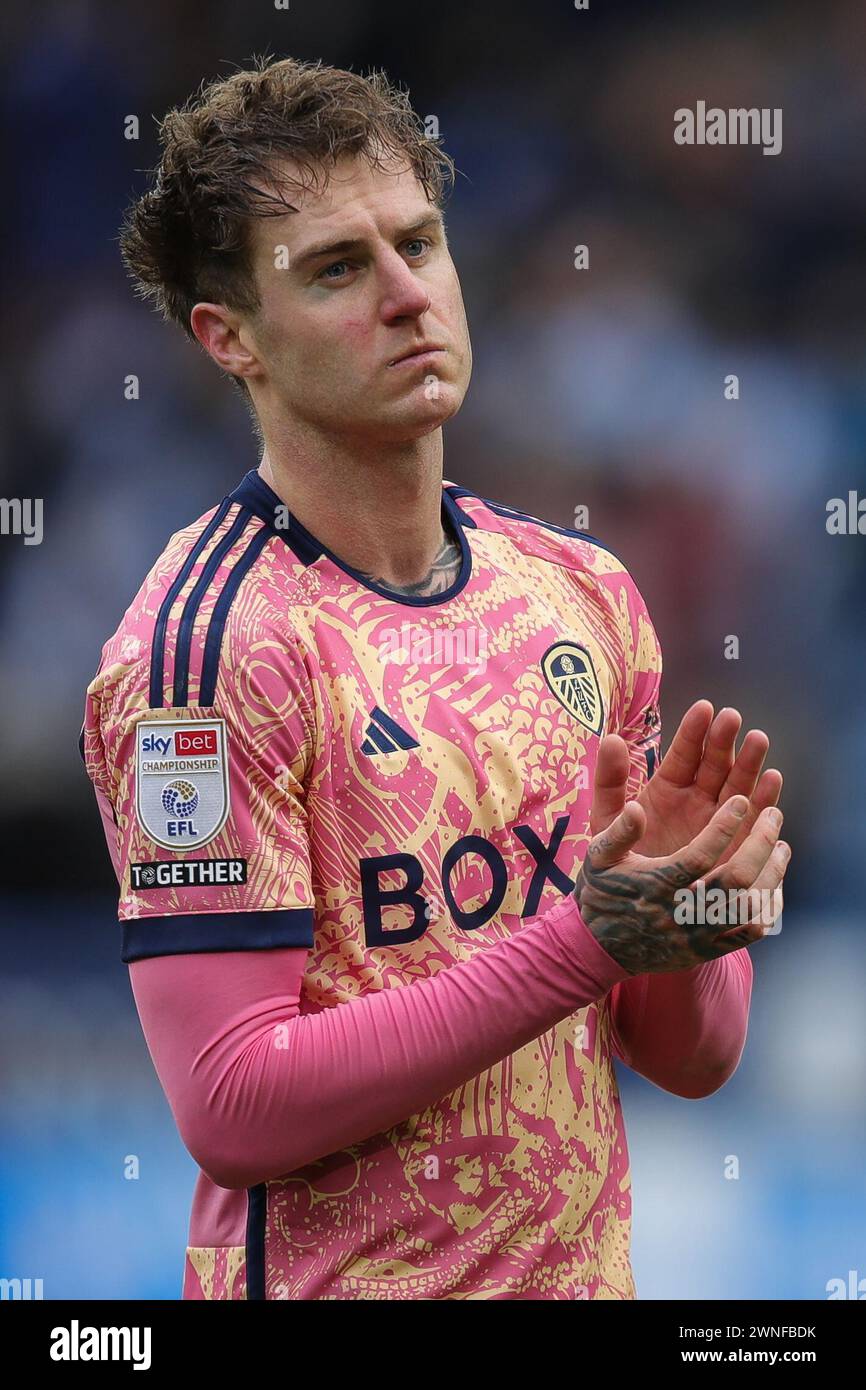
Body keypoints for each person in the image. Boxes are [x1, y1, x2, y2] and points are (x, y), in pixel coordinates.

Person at [81, 56, 788, 1300]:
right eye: (338, 269)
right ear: (227, 336)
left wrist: (691, 917)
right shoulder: (203, 656)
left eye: (420, 242)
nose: (409, 296)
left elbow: (693, 1057)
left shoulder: (577, 592)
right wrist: (584, 941)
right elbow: (233, 1103)